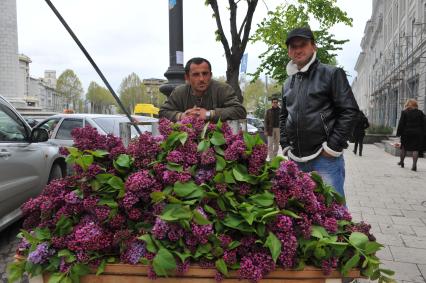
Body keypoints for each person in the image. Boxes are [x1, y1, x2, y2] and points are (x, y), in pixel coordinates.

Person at [279, 27, 359, 201]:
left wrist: (332, 147)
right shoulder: (287, 83)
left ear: (313, 46)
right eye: (293, 46)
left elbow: (350, 111)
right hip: (295, 159)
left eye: (303, 45)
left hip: (325, 159)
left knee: (334, 213)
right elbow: (284, 116)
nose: (298, 50)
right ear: (288, 51)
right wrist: (285, 143)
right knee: (302, 211)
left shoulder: (331, 74)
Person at [159, 57, 246, 122]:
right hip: (187, 140)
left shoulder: (223, 89)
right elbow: (163, 112)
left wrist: (210, 114)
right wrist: (182, 116)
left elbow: (240, 111)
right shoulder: (179, 92)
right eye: (196, 75)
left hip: (219, 140)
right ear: (187, 77)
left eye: (205, 74)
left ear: (210, 75)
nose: (201, 79)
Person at [396, 99, 425, 171]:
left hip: (406, 133)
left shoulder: (404, 112)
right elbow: (424, 123)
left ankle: (402, 162)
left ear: (407, 104)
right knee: (416, 149)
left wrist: (398, 133)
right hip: (417, 133)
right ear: (415, 105)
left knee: (404, 148)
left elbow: (401, 124)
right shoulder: (420, 113)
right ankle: (414, 166)